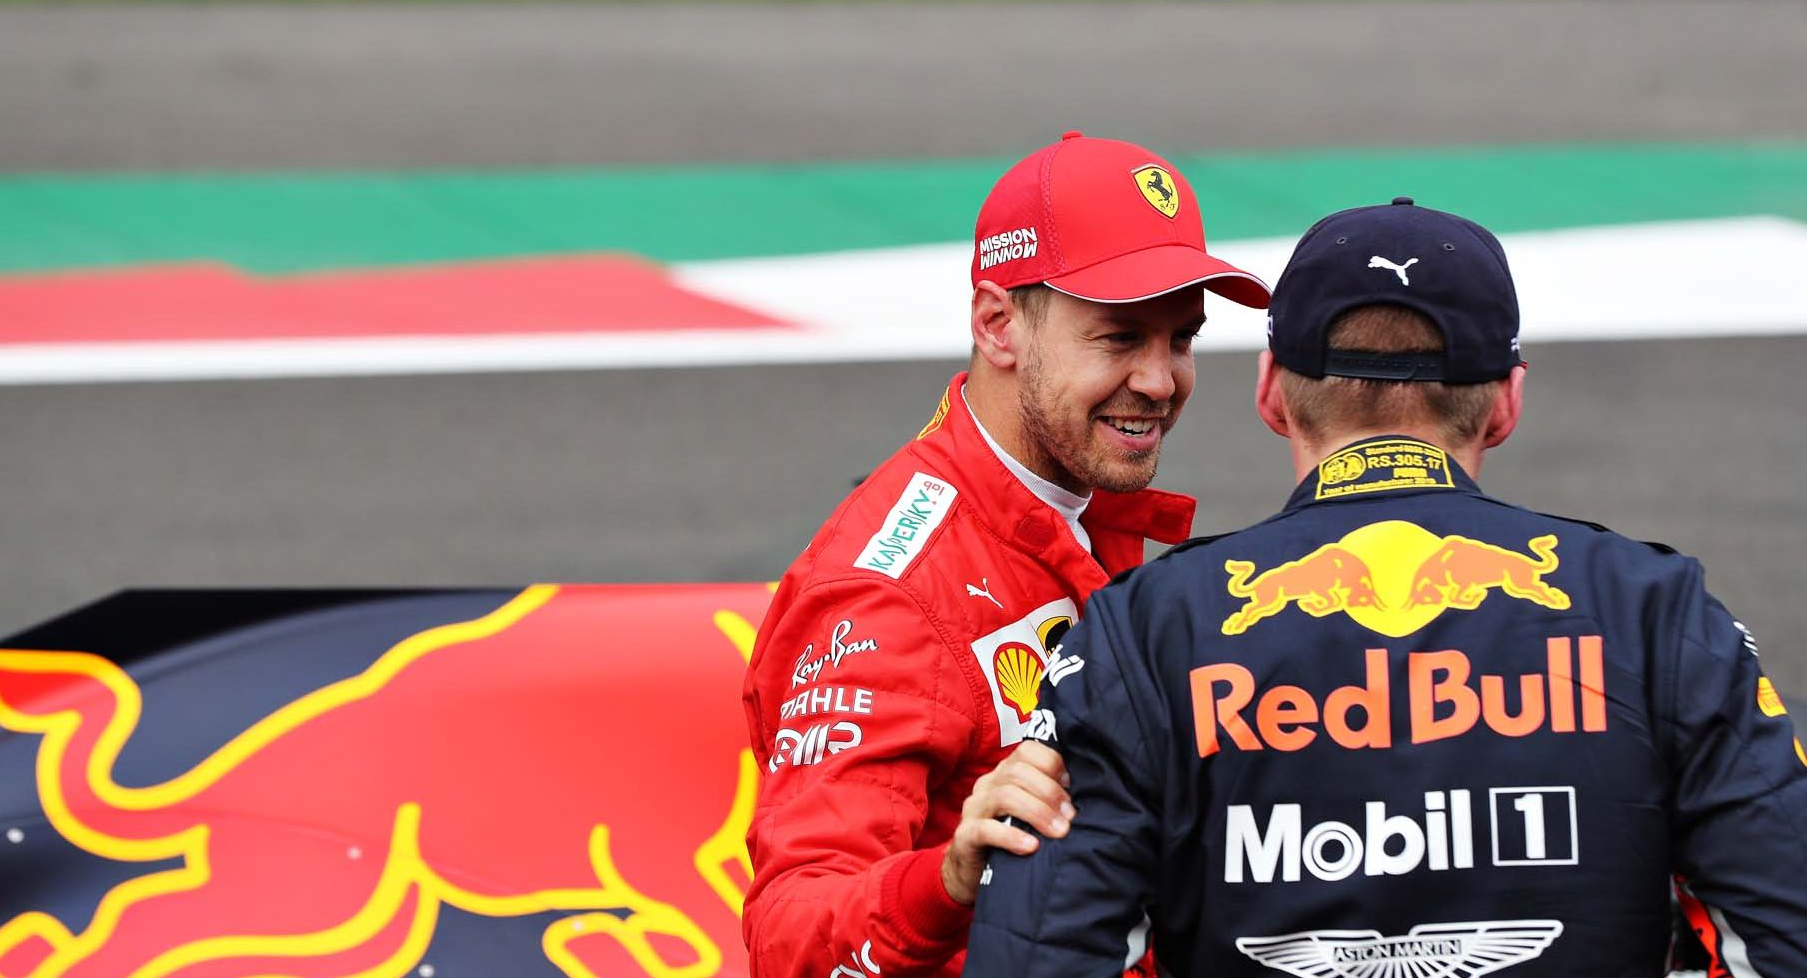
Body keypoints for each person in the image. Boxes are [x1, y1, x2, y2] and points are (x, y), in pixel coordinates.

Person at [965, 198, 1807, 977]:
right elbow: (1786, 925)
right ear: (1506, 403)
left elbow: (1043, 952)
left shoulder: (1145, 628)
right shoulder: (1652, 609)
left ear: (1271, 393)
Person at [738, 131, 1271, 978]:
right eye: (1120, 338)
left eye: (1181, 339)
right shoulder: (888, 590)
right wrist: (949, 878)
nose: (1163, 380)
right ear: (998, 326)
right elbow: (789, 936)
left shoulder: (1094, 511)